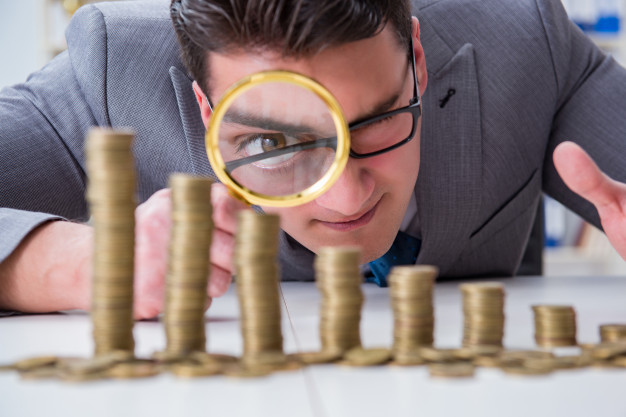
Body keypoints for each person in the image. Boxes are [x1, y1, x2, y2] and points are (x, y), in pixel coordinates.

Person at [0, 0, 625, 319]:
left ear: (417, 57)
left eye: (378, 120)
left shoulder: (521, 39)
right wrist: (71, 263)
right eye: (273, 144)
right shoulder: (112, 77)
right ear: (206, 108)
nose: (347, 198)